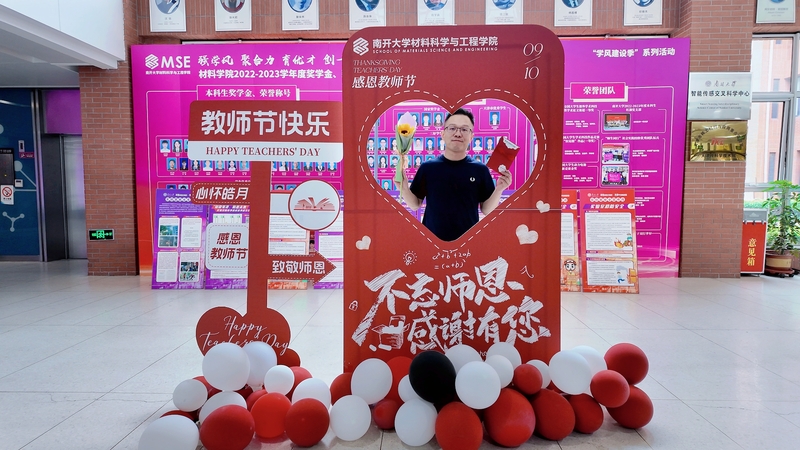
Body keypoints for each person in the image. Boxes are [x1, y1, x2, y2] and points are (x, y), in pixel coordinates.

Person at [399, 108, 511, 242]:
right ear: (443, 134)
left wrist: (499, 189)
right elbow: (415, 205)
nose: (458, 134)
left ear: (471, 136)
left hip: (468, 244)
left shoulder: (480, 170)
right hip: (432, 243)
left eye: (464, 129)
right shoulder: (428, 168)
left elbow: (486, 209)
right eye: (452, 128)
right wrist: (403, 188)